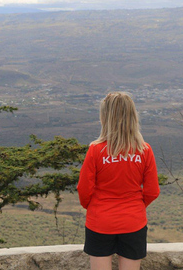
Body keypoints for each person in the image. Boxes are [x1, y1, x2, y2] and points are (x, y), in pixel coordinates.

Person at [77, 92, 160, 270]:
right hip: (133, 222)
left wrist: (96, 208)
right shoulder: (145, 150)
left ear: (105, 117)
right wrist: (134, 207)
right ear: (133, 116)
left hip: (100, 221)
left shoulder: (95, 150)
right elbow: (152, 191)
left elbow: (84, 190)